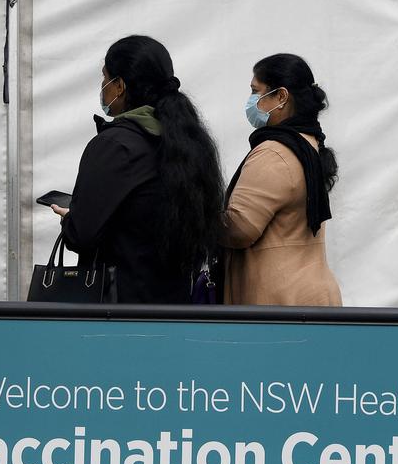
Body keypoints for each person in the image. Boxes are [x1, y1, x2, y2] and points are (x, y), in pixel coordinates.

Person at [50, 35, 224, 304]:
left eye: (104, 78)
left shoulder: (114, 145)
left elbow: (82, 235)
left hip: (120, 309)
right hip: (176, 306)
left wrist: (70, 217)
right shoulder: (187, 142)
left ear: (119, 85)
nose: (102, 87)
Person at [219, 54, 341, 306]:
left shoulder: (274, 152)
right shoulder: (308, 143)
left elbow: (240, 228)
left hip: (278, 302)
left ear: (281, 97)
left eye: (256, 91)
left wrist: (198, 216)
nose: (252, 101)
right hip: (309, 296)